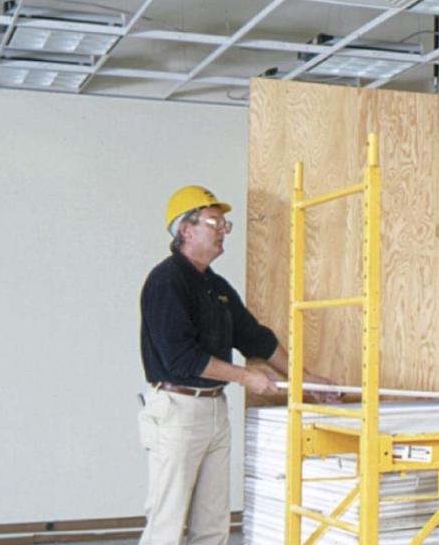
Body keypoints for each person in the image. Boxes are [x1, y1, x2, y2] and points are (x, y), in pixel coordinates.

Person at [138, 185, 333, 545]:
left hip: (213, 410)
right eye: (214, 222)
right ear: (186, 229)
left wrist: (305, 380)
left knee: (212, 524)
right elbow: (181, 357)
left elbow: (255, 338)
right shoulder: (167, 282)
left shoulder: (217, 286)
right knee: (166, 524)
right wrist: (245, 377)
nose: (222, 231)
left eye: (225, 225)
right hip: (177, 411)